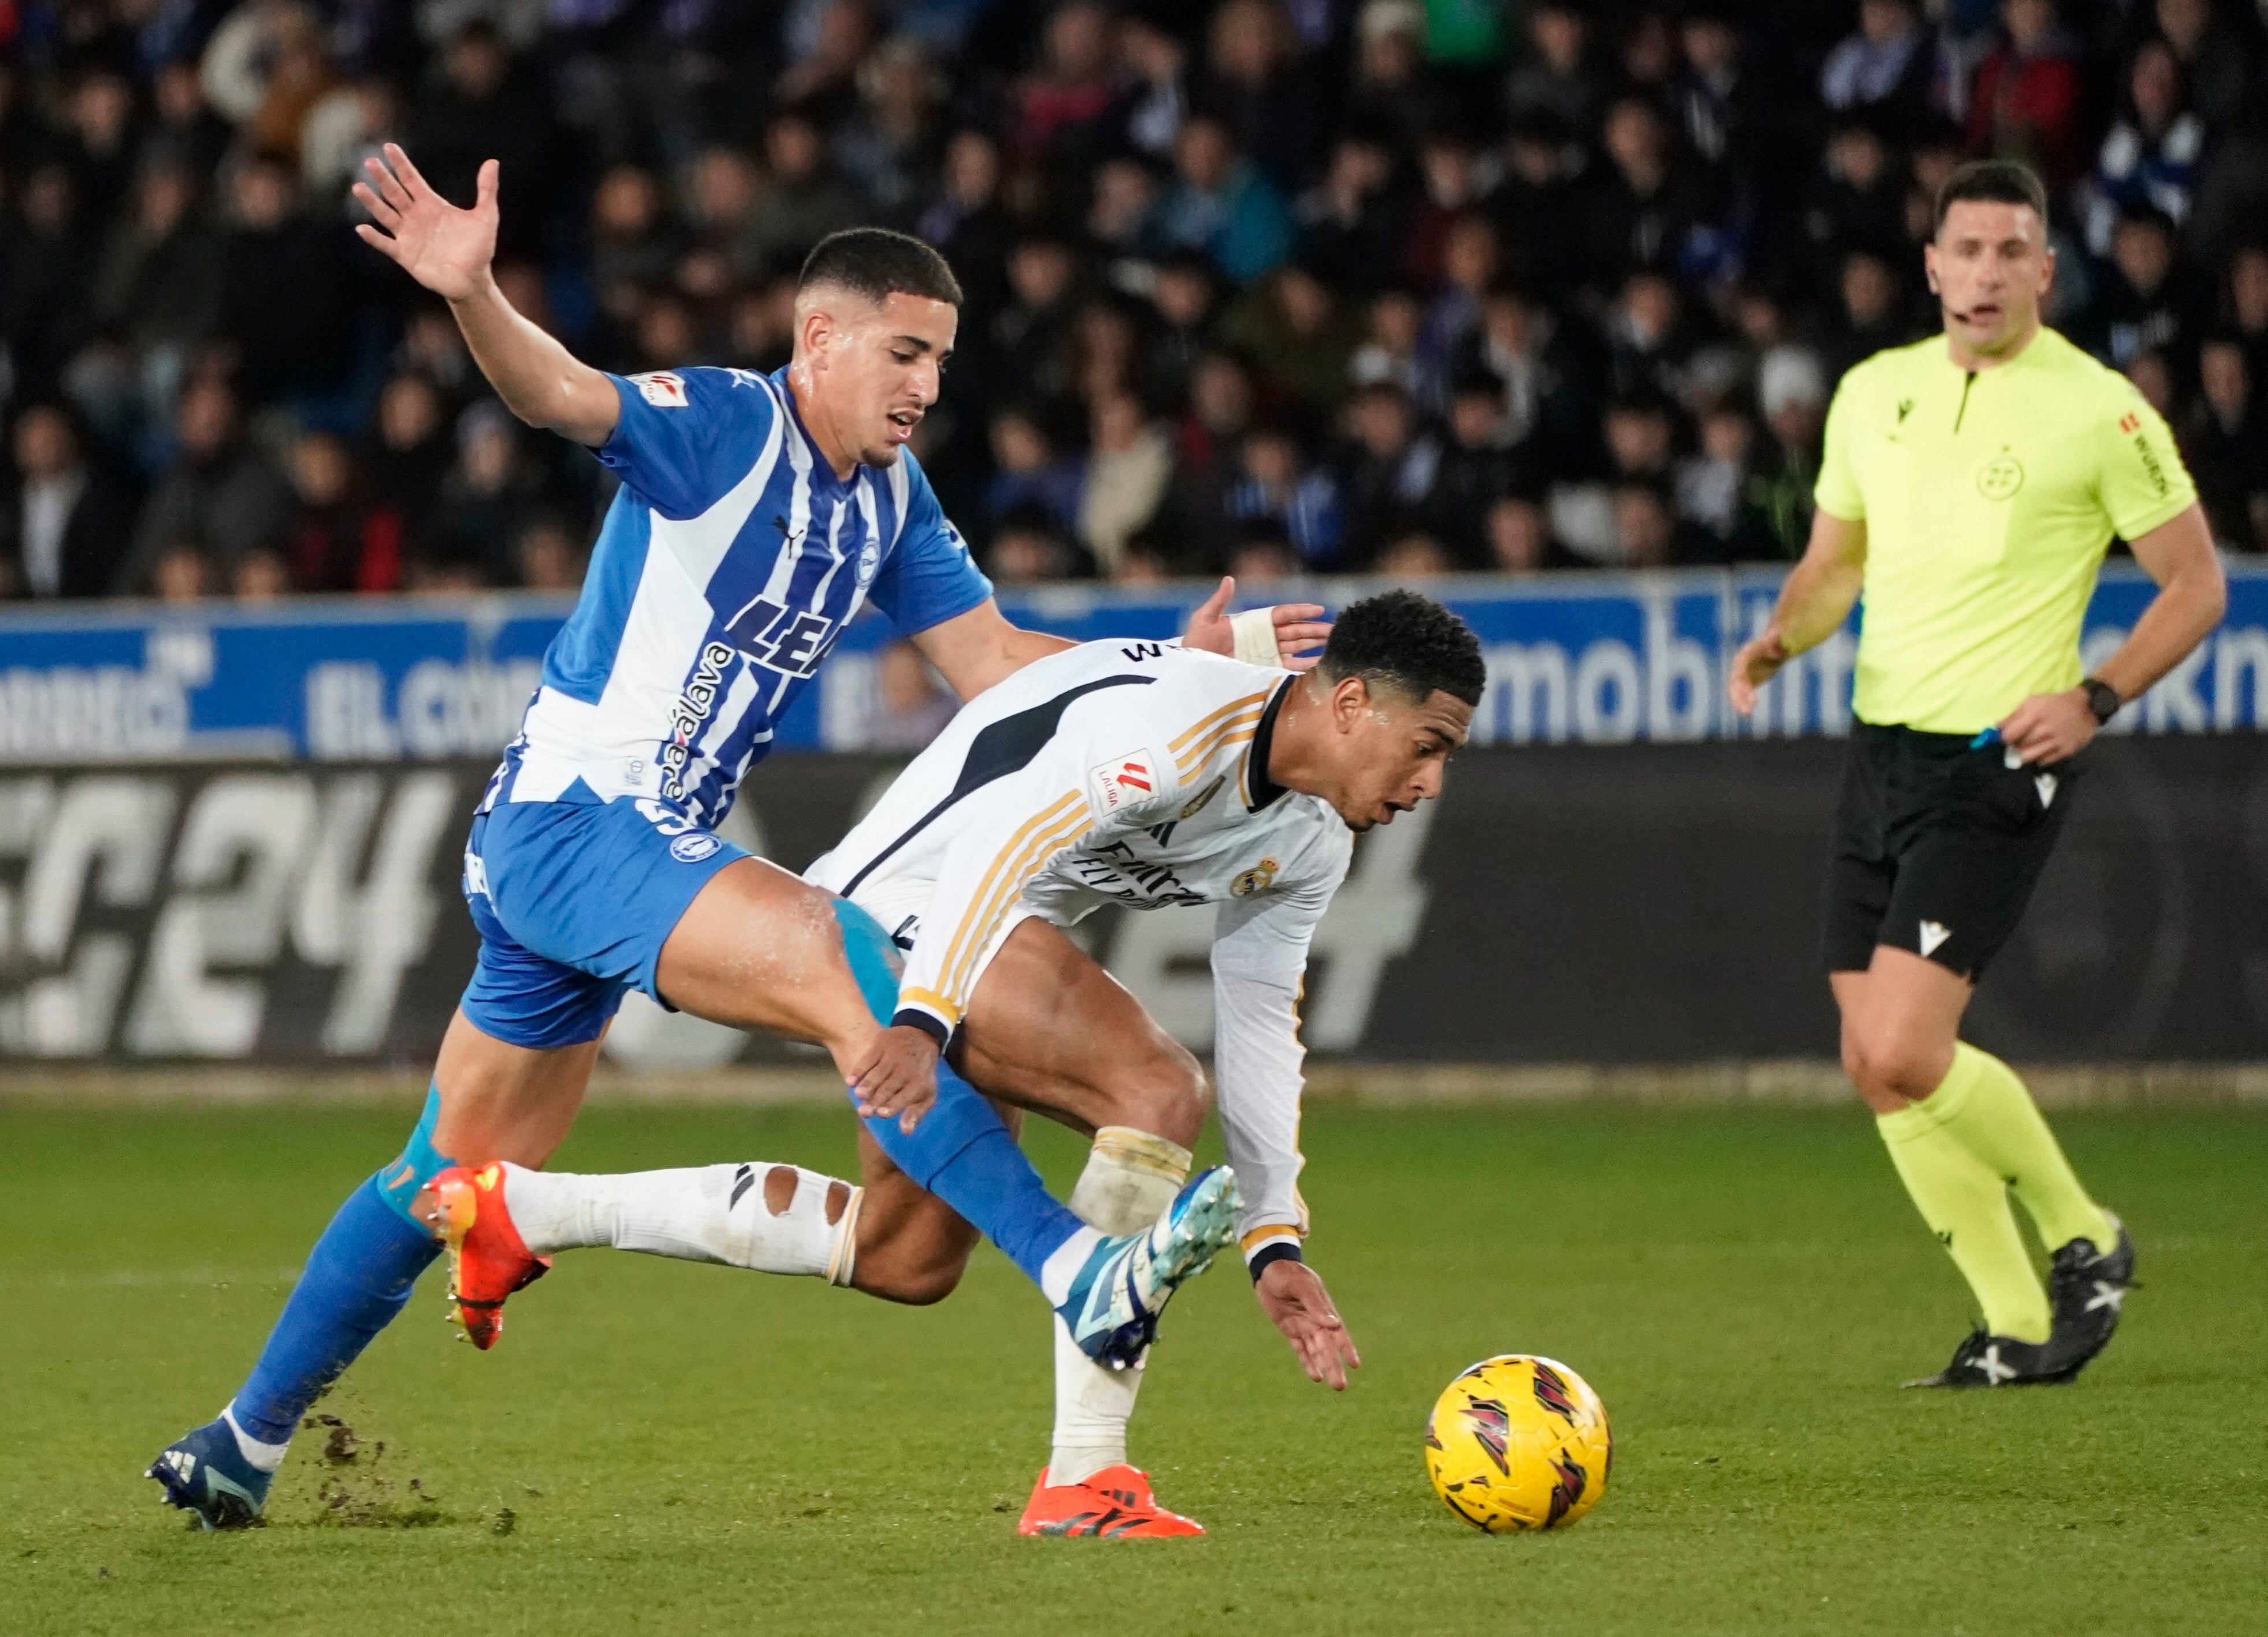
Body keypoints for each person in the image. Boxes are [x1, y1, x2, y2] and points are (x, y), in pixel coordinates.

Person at [146, 146, 1327, 1530]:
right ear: (818, 340)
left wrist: (1161, 668)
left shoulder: (891, 503)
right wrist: (472, 296)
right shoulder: (723, 426)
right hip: (581, 824)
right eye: (903, 353)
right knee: (850, 958)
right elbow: (559, 393)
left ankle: (243, 1439)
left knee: (441, 1179)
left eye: (939, 363)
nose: (925, 388)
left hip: (611, 860)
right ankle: (1078, 1270)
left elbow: (1002, 662)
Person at [428, 591, 1485, 1535]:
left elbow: (1260, 1017)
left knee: (904, 1259)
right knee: (1154, 1087)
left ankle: (528, 1209)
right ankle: (1087, 1477)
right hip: (894, 914)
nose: (1432, 783)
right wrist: (921, 1022)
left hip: (974, 940)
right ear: (1351, 705)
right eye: (1428, 744)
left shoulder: (1311, 838)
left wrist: (1273, 1234)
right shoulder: (1175, 729)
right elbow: (999, 844)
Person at [1728, 161, 2225, 1388]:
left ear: (2045, 273)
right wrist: (1785, 630)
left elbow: (2198, 585)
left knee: (1902, 1044)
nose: (1989, 272)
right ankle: (2012, 1325)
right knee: (1871, 1055)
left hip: (1997, 755)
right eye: (1970, 249)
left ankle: (2084, 1234)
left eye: (2014, 251)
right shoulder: (1872, 394)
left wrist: (2095, 696)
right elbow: (1838, 560)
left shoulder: (2100, 410)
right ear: (1934, 265)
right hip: (1880, 749)